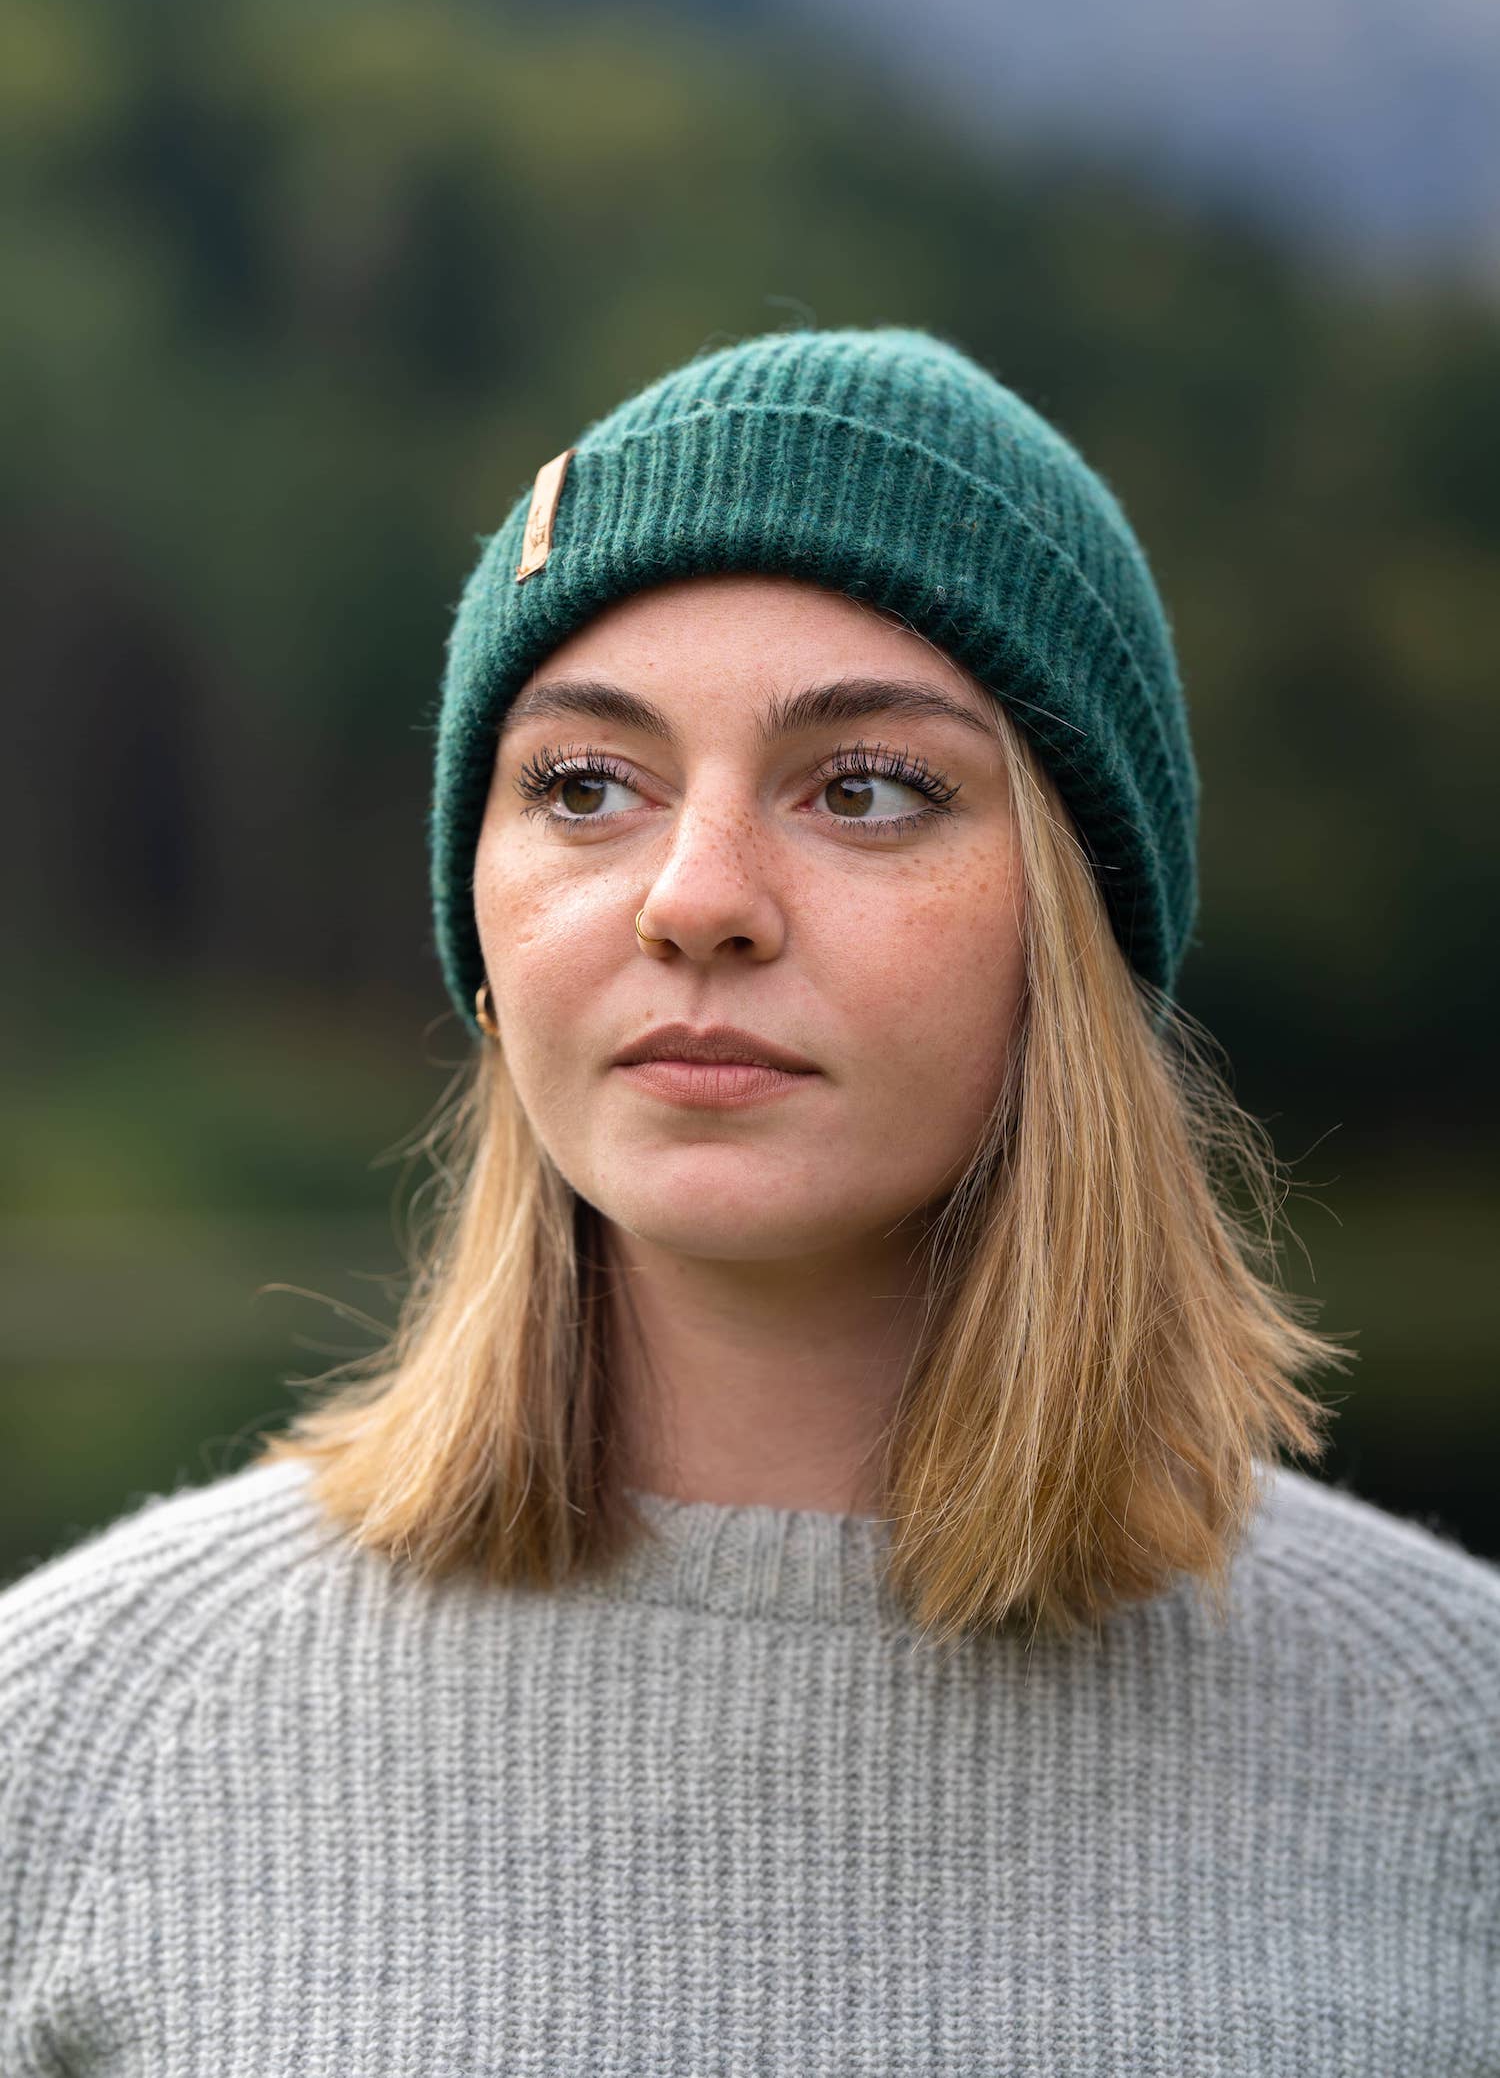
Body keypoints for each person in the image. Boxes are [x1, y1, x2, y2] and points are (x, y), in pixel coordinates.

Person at [2, 325, 1495, 2074]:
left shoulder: (1453, 1754)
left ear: (1081, 938)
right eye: (584, 785)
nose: (695, 898)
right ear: (481, 934)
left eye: (866, 788)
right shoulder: (70, 1738)